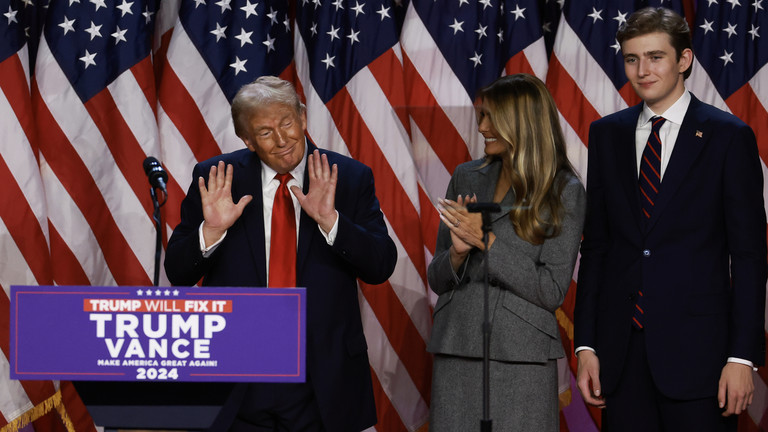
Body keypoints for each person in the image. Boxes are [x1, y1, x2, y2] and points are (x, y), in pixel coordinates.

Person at [164, 76, 397, 432]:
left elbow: (381, 265)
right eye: (266, 131)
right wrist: (212, 230)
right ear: (247, 140)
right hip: (238, 373)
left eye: (287, 123)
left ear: (302, 118)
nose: (283, 139)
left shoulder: (347, 177)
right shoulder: (218, 179)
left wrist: (331, 220)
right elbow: (178, 271)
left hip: (322, 375)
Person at [574, 7, 767, 431]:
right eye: (631, 58)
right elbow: (598, 246)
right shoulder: (606, 134)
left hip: (701, 360)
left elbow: (749, 255)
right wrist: (586, 343)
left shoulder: (728, 136)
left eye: (655, 57)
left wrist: (742, 356)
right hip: (621, 358)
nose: (642, 70)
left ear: (684, 60)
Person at [427, 73, 586, 431]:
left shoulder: (565, 191)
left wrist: (488, 243)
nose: (482, 127)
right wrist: (456, 253)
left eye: (490, 117)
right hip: (457, 347)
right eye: (481, 116)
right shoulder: (466, 176)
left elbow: (550, 291)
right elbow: (437, 279)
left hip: (522, 357)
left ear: (521, 122)